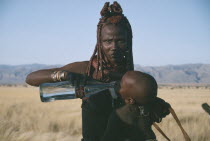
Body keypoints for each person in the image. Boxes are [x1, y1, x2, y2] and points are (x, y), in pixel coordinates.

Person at [26, 2, 169, 141]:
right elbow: (31, 78)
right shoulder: (87, 70)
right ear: (99, 43)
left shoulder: (132, 79)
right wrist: (64, 75)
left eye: (120, 41)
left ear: (128, 42)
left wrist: (153, 105)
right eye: (108, 41)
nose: (114, 47)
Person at [101, 71, 170, 141]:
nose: (117, 84)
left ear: (130, 100)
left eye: (121, 85)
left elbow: (108, 137)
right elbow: (165, 110)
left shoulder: (118, 114)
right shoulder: (150, 107)